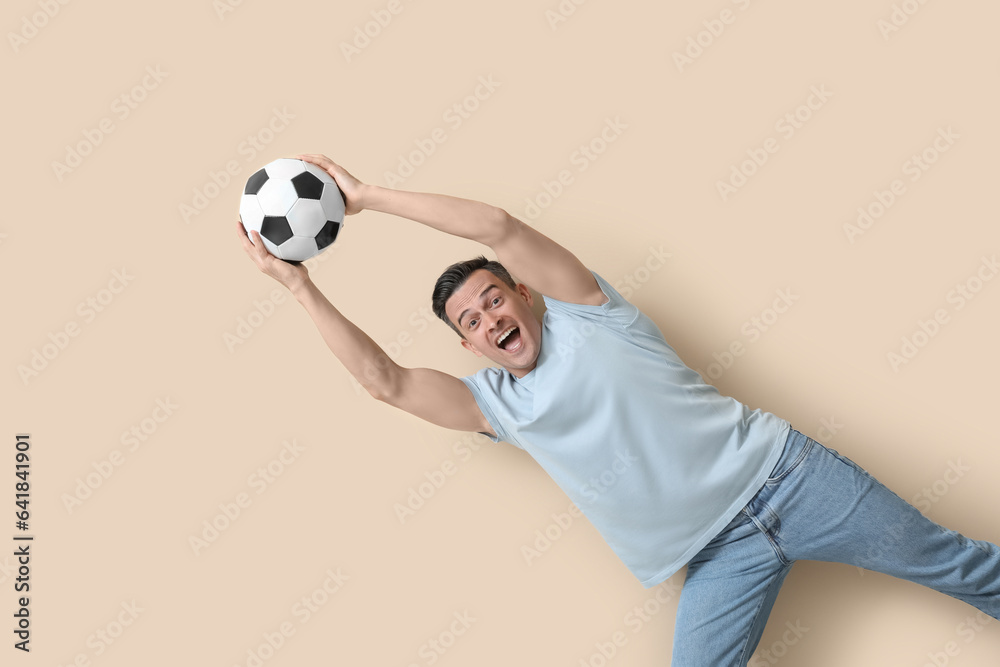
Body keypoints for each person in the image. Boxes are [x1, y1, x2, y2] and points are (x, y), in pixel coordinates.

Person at [236, 153, 1000, 665]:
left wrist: (367, 197)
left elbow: (497, 226)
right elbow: (387, 381)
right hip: (715, 557)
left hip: (790, 479)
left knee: (961, 565)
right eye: (469, 321)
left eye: (492, 298)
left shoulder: (588, 308)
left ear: (525, 293)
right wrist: (300, 287)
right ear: (468, 346)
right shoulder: (497, 405)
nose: (487, 319)